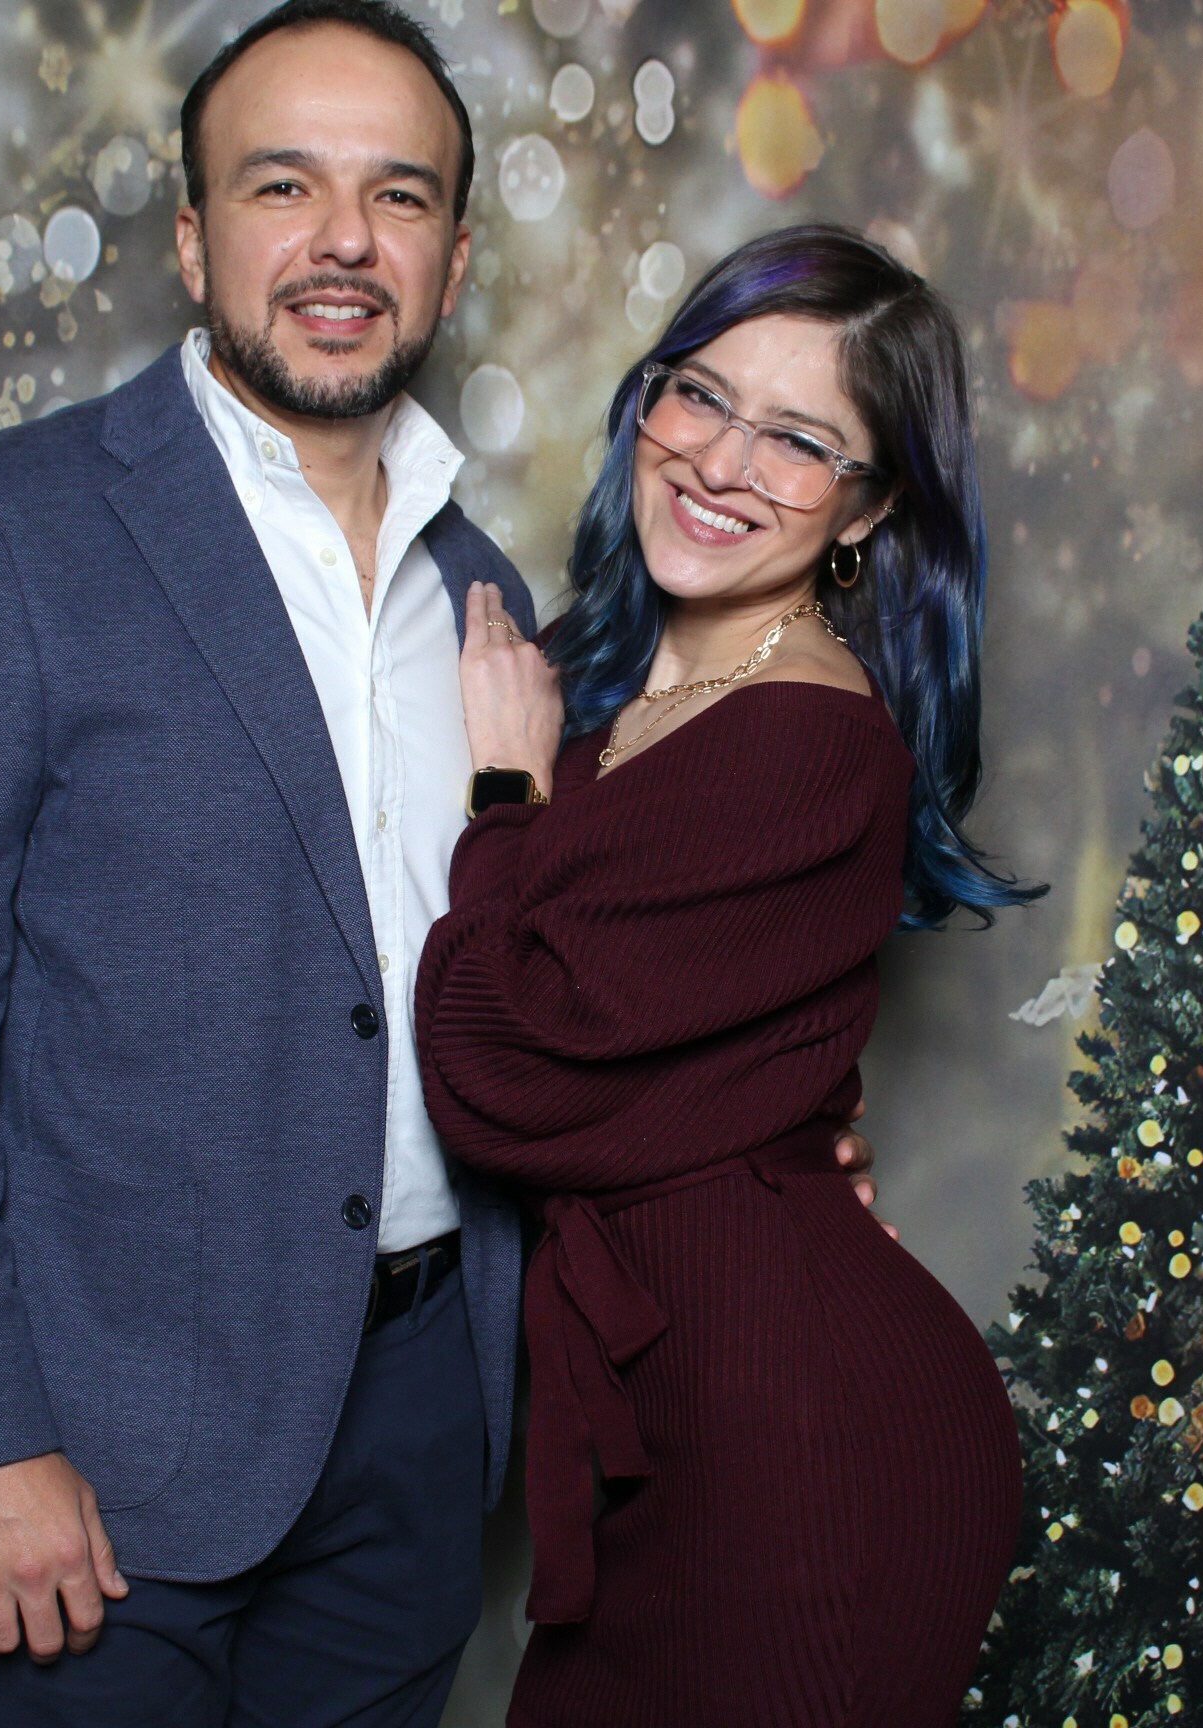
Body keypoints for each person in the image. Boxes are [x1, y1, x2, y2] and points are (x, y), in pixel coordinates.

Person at [0, 7, 878, 1724]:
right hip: (102, 1449)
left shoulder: (491, 598)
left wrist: (774, 1137)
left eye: (398, 196)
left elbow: (565, 991)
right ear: (193, 238)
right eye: (282, 185)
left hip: (424, 1428)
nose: (343, 243)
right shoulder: (5, 533)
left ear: (454, 257)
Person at [418, 225, 1040, 1728]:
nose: (720, 461)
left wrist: (504, 794)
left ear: (867, 509)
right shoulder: (603, 695)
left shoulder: (806, 741)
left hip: (803, 1453)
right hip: (673, 1430)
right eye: (700, 395)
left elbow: (496, 1065)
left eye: (800, 440)